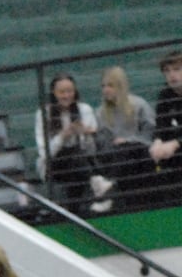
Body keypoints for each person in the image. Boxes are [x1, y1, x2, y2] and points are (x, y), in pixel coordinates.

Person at [34, 73, 105, 210]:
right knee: (75, 157)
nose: (66, 96)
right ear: (54, 93)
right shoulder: (43, 113)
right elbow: (44, 153)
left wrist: (86, 135)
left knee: (77, 161)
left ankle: (72, 211)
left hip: (80, 163)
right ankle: (97, 183)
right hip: (55, 164)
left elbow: (90, 150)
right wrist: (63, 136)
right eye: (62, 92)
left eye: (70, 91)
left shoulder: (85, 110)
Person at [92, 66, 156, 203]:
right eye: (103, 86)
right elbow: (102, 144)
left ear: (120, 86)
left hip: (140, 154)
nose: (105, 90)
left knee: (128, 148)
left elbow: (150, 132)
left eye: (110, 85)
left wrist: (129, 140)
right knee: (121, 151)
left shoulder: (139, 104)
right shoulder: (100, 113)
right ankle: (111, 186)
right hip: (115, 157)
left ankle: (111, 185)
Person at [147, 49, 182, 183]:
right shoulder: (165, 95)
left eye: (177, 69)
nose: (171, 75)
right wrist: (157, 142)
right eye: (167, 71)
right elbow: (161, 124)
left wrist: (175, 143)